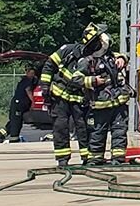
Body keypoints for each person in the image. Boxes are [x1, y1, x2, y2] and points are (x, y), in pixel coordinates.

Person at [40, 22, 109, 166]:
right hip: (59, 96)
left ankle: (87, 158)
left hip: (79, 98)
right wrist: (45, 86)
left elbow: (114, 58)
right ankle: (63, 160)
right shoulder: (68, 50)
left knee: (83, 128)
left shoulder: (97, 57)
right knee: (61, 127)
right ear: (93, 42)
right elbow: (49, 65)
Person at [79, 44, 133, 165]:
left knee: (119, 130)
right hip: (100, 104)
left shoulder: (110, 56)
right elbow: (76, 79)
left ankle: (118, 158)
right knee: (98, 132)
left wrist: (122, 59)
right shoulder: (87, 61)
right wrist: (93, 81)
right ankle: (95, 158)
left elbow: (123, 56)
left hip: (118, 103)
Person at [7, 65, 36, 142]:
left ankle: (2, 134)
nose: (32, 75)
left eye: (33, 73)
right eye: (31, 73)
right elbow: (28, 91)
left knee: (13, 121)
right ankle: (14, 139)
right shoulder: (27, 81)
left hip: (17, 103)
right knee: (16, 122)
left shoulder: (23, 80)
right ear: (27, 73)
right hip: (18, 105)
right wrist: (33, 102)